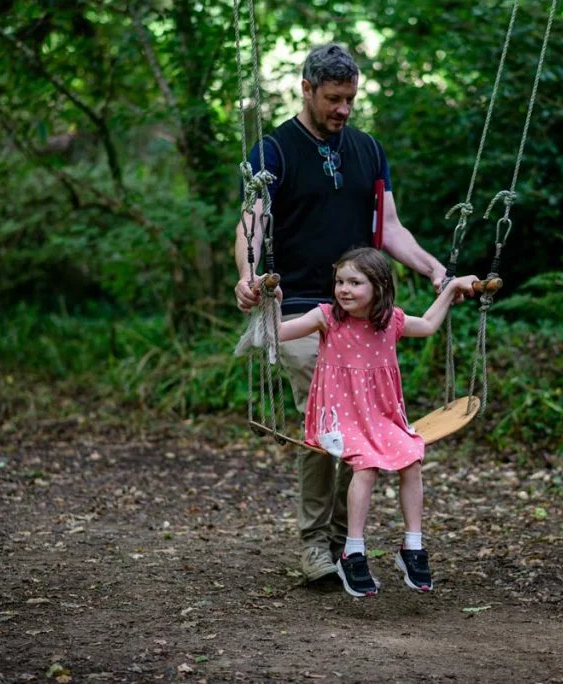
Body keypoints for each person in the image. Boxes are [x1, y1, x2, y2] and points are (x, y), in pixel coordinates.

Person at [233, 44, 450, 584]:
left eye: (350, 98)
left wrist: (434, 271)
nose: (343, 109)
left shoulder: (369, 150)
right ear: (306, 90)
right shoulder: (275, 150)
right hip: (304, 308)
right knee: (325, 414)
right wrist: (248, 273)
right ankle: (316, 545)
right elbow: (252, 221)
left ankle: (342, 543)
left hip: (364, 312)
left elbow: (391, 226)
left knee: (362, 424)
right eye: (333, 98)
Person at [276, 247, 477, 596]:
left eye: (355, 282)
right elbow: (277, 333)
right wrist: (265, 302)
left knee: (412, 458)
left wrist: (450, 288)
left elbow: (429, 325)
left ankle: (412, 545)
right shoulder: (326, 317)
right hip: (338, 420)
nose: (344, 289)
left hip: (381, 417)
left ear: (379, 286)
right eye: (340, 281)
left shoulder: (391, 322)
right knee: (365, 468)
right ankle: (353, 550)